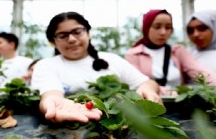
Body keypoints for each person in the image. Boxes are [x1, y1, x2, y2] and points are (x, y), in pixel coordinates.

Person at [31, 11, 162, 123]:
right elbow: (50, 94)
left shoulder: (111, 60)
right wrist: (52, 102)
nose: (71, 39)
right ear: (53, 41)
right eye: (62, 35)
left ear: (88, 33)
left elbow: (147, 82)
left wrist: (148, 89)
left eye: (77, 32)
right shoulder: (46, 65)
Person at [125, 9, 216, 96]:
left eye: (168, 27)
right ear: (146, 28)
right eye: (157, 27)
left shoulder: (177, 51)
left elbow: (199, 72)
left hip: (178, 105)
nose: (163, 32)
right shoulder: (134, 55)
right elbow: (135, 83)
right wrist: (170, 92)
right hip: (148, 106)